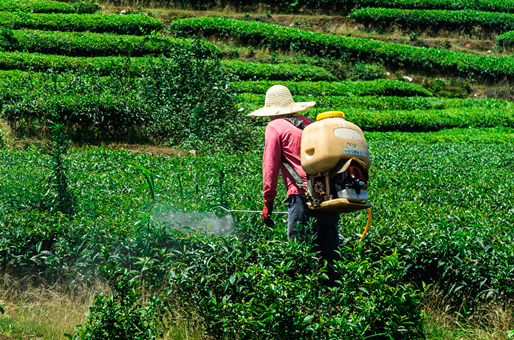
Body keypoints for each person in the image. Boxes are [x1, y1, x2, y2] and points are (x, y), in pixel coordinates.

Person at [248, 85, 340, 287]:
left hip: (301, 196)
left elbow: (270, 166)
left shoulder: (274, 127)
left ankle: (303, 303)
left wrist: (268, 201)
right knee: (330, 256)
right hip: (328, 195)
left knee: (298, 254)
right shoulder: (310, 124)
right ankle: (334, 304)